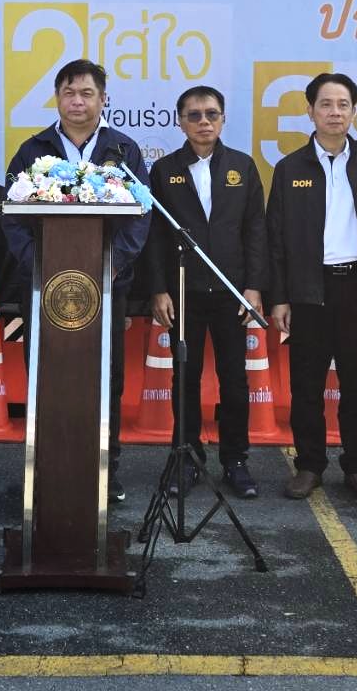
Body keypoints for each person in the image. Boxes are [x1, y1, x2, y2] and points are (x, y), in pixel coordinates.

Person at [1, 59, 151, 505]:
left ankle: (106, 468)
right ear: (57, 98)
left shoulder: (122, 150)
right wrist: (40, 265)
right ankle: (45, 467)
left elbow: (141, 217)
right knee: (47, 375)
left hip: (106, 287)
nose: (77, 101)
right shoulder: (32, 151)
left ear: (103, 99)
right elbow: (11, 218)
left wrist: (111, 266)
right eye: (69, 93)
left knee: (106, 378)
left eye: (87, 93)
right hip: (44, 289)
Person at [267, 72, 357, 504]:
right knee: (306, 386)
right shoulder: (290, 169)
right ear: (310, 111)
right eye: (325, 104)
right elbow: (275, 240)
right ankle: (309, 465)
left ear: (354, 111)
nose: (334, 112)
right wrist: (279, 297)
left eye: (343, 104)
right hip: (308, 292)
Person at [146, 86, 267, 499]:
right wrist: (158, 289)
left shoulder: (242, 166)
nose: (203, 122)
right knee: (185, 378)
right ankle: (186, 458)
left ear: (223, 119)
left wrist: (253, 287)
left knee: (234, 380)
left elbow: (255, 230)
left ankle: (236, 460)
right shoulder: (165, 171)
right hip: (184, 293)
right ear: (180, 122)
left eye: (212, 114)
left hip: (232, 294)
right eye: (194, 115)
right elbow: (156, 236)